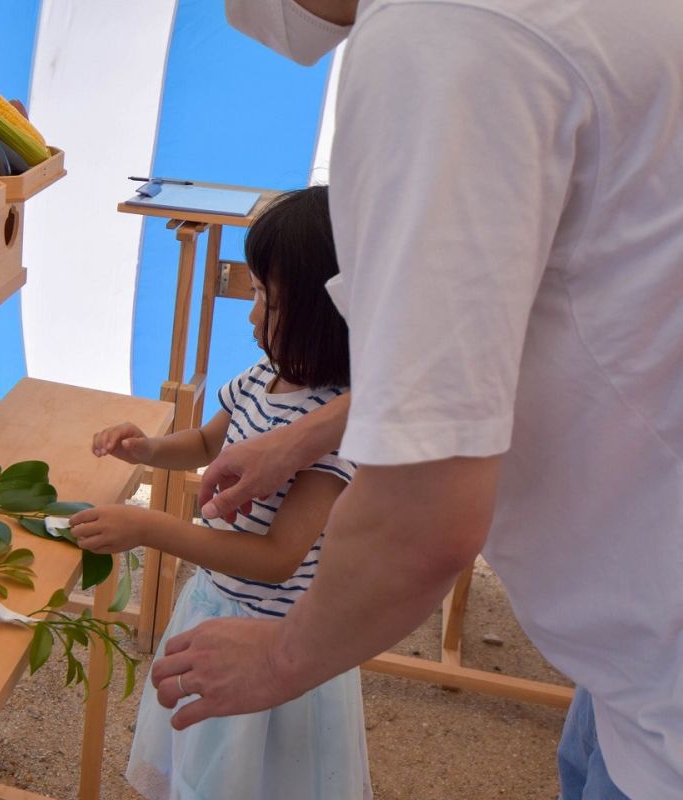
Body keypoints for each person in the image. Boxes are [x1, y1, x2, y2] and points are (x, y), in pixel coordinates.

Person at [148, 1, 683, 799]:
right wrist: (307, 435)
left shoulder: (442, 34)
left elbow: (424, 510)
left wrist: (286, 653)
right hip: (634, 651)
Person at [70, 187, 372, 799]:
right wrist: (150, 448)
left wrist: (150, 528)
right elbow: (211, 442)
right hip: (214, 605)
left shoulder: (332, 432)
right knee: (200, 766)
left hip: (272, 639)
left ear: (327, 314)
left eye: (267, 299)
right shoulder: (264, 376)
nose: (251, 315)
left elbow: (275, 559)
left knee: (247, 776)